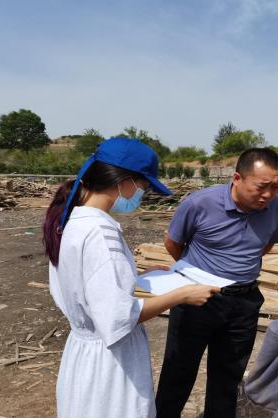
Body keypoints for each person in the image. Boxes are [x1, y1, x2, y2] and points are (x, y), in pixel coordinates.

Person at [42, 137, 220, 418]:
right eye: (144, 187)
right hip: (110, 360)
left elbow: (85, 286)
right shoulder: (101, 233)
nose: (142, 194)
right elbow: (117, 318)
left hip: (83, 353)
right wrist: (181, 295)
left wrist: (134, 277)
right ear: (124, 181)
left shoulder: (71, 222)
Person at [155, 148, 278, 418]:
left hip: (244, 302)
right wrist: (197, 275)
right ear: (237, 178)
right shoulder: (199, 203)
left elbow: (264, 246)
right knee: (178, 371)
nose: (268, 194)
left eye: (276, 187)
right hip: (197, 300)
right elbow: (173, 242)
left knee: (228, 377)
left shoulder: (277, 207)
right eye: (262, 186)